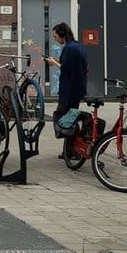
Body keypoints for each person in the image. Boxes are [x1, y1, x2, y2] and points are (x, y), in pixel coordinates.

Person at [51, 22, 88, 157]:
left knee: (66, 120)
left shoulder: (70, 48)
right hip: (76, 89)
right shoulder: (77, 46)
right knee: (69, 119)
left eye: (55, 36)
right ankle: (69, 150)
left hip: (69, 90)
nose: (55, 39)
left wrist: (54, 63)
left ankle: (72, 150)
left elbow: (67, 69)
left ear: (62, 35)